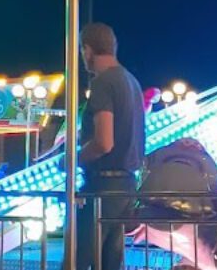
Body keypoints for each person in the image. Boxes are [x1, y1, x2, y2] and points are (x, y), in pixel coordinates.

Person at [64, 23, 146, 270]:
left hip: (102, 186)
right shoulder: (131, 82)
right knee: (111, 262)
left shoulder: (103, 82)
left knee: (77, 259)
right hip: (127, 187)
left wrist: (72, 160)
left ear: (87, 50)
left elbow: (104, 142)